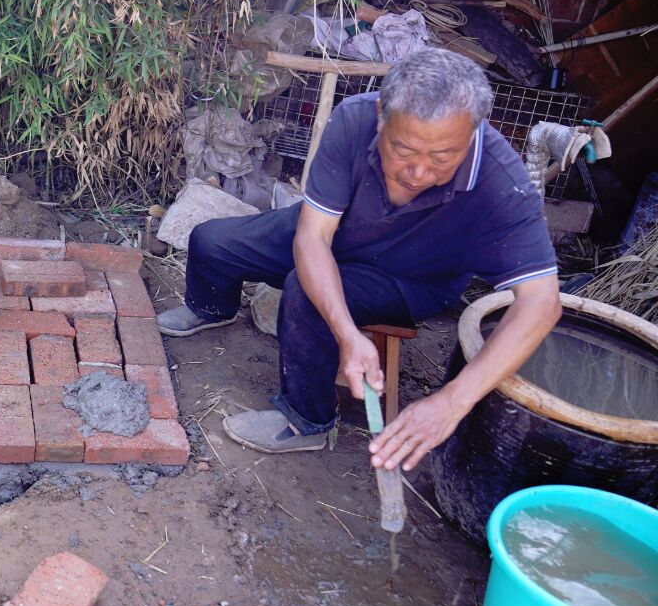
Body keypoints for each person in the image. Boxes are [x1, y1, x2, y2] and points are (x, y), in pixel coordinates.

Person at [156, 48, 562, 472]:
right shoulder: (354, 119)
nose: (419, 172)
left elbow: (541, 303)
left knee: (305, 292)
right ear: (382, 117)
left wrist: (451, 401)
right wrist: (348, 334)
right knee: (211, 240)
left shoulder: (502, 183)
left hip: (411, 278)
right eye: (403, 151)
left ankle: (306, 421)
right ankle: (211, 307)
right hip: (336, 234)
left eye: (442, 157)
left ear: (474, 132)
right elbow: (313, 237)